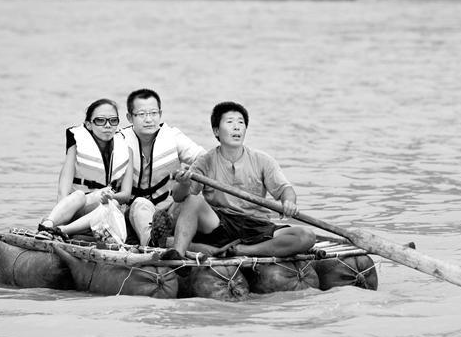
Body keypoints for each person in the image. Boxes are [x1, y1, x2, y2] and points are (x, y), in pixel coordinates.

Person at [162, 101, 315, 260]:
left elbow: (285, 190)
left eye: (240, 123)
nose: (236, 127)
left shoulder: (263, 160)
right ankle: (178, 254)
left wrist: (289, 202)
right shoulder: (204, 161)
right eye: (230, 122)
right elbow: (178, 197)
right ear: (216, 131)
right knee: (193, 200)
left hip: (257, 225)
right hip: (220, 225)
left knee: (306, 236)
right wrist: (184, 183)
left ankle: (242, 250)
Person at [37, 98, 133, 240]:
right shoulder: (76, 146)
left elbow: (126, 194)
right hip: (76, 208)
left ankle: (62, 230)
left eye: (113, 121)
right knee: (78, 195)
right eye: (100, 120)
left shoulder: (126, 150)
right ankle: (48, 225)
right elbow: (63, 189)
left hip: (103, 209)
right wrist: (61, 214)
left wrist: (110, 196)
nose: (108, 125)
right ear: (89, 124)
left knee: (111, 205)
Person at [121, 88, 205, 246]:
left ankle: (166, 240)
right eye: (141, 114)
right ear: (129, 117)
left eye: (153, 113)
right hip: (135, 212)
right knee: (140, 204)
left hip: (170, 210)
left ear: (160, 113)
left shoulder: (172, 136)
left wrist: (189, 177)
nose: (148, 119)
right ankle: (152, 241)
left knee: (193, 201)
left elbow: (204, 158)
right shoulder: (119, 141)